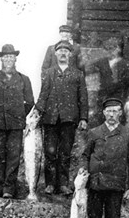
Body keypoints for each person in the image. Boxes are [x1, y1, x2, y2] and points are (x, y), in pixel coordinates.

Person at [0, 44, 34, 199]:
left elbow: (30, 101)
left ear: (15, 58)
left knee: (13, 156)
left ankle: (9, 188)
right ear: (1, 59)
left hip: (16, 125)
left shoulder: (24, 79)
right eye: (6, 57)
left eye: (11, 56)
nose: (8, 59)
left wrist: (20, 115)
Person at [35, 41, 89, 195]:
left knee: (65, 152)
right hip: (51, 118)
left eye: (66, 51)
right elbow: (43, 94)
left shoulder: (78, 74)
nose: (63, 53)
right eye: (60, 51)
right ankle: (50, 184)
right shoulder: (49, 73)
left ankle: (63, 184)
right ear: (55, 54)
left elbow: (83, 97)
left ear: (70, 54)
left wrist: (83, 117)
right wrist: (38, 111)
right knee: (50, 152)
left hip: (69, 119)